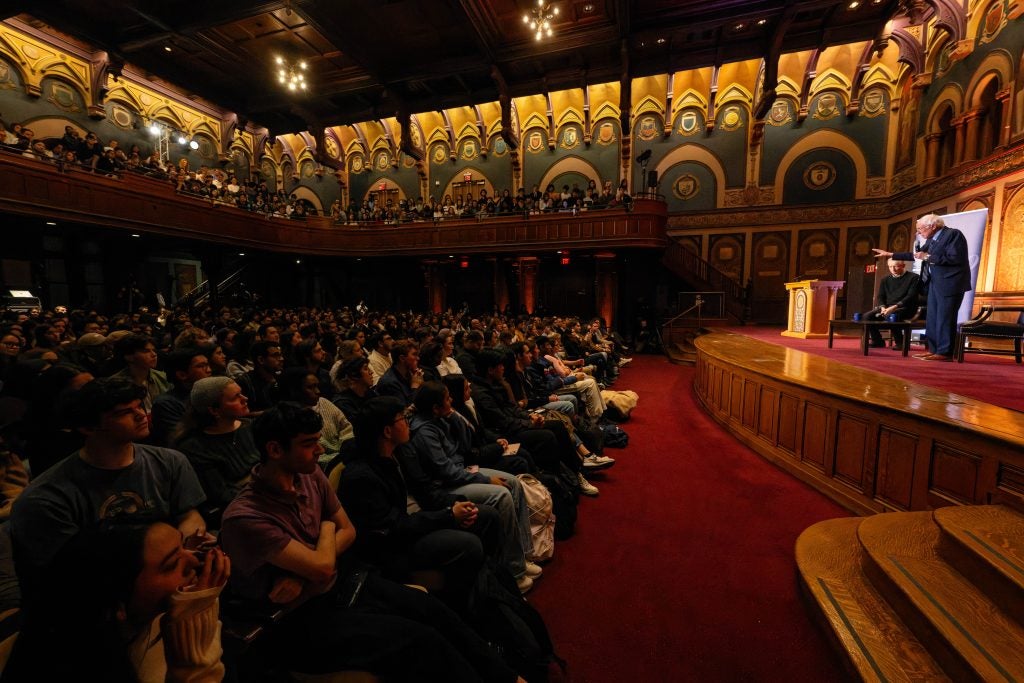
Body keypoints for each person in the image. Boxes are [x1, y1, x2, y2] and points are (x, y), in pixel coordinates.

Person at [218, 402, 522, 682]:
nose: (320, 449)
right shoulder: (245, 517)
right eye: (309, 444)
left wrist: (303, 569)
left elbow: (348, 531)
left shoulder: (308, 476)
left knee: (435, 611)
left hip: (345, 582)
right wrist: (326, 528)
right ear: (274, 449)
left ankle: (509, 678)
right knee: (420, 640)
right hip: (297, 621)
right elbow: (324, 563)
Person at [6, 520, 229, 681]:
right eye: (171, 564)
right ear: (118, 607)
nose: (193, 560)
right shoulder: (65, 665)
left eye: (183, 546)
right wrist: (191, 661)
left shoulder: (165, 616)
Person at [338, 396, 499, 612]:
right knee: (468, 544)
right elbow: (393, 528)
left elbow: (426, 492)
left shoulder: (400, 451)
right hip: (392, 549)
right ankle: (467, 609)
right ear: (387, 431)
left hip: (417, 520)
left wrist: (456, 505)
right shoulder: (361, 476)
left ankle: (491, 594)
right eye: (403, 418)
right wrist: (448, 516)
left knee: (486, 516)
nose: (408, 422)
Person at [873, 213, 971, 361]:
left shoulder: (953, 234)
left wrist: (928, 257)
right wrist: (890, 254)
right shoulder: (932, 239)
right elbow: (916, 255)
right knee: (932, 318)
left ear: (932, 226)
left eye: (921, 229)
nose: (919, 233)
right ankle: (932, 349)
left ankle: (945, 352)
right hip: (935, 283)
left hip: (951, 283)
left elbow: (955, 258)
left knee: (945, 318)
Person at [865, 258, 921, 349]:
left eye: (896, 266)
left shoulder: (913, 277)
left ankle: (901, 343)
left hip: (906, 307)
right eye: (890, 266)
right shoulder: (885, 279)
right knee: (867, 317)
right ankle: (878, 341)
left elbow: (911, 296)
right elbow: (880, 296)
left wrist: (894, 307)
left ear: (903, 266)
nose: (893, 269)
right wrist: (883, 307)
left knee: (892, 316)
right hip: (887, 307)